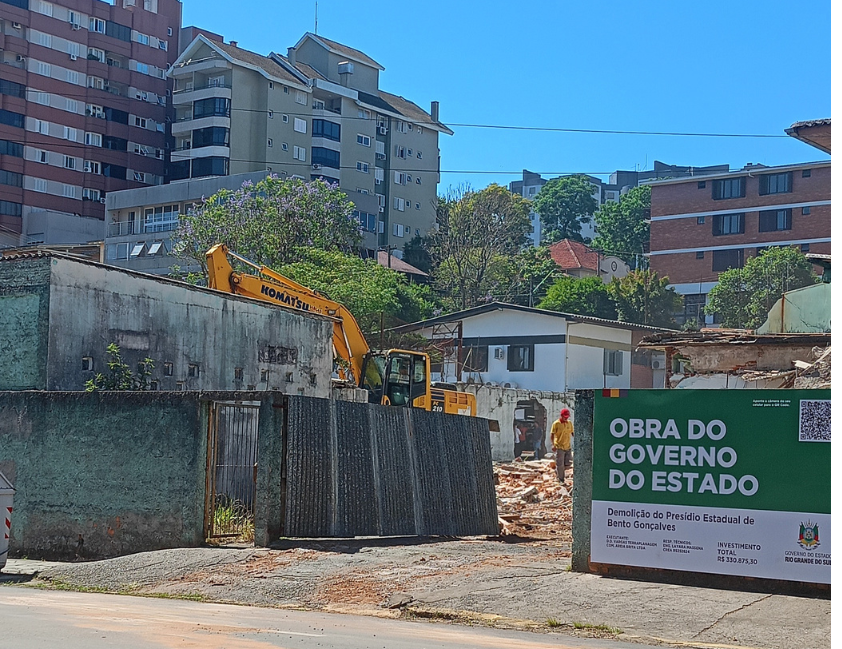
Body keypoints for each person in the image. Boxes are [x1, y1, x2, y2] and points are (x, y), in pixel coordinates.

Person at [551, 408, 573, 484]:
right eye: (565, 417)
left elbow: (572, 432)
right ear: (561, 416)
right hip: (559, 446)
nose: (566, 418)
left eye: (567, 417)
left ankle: (557, 471)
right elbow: (552, 434)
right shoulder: (556, 424)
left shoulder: (569, 423)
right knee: (560, 464)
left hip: (568, 446)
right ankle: (561, 479)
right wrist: (553, 445)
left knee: (568, 463)